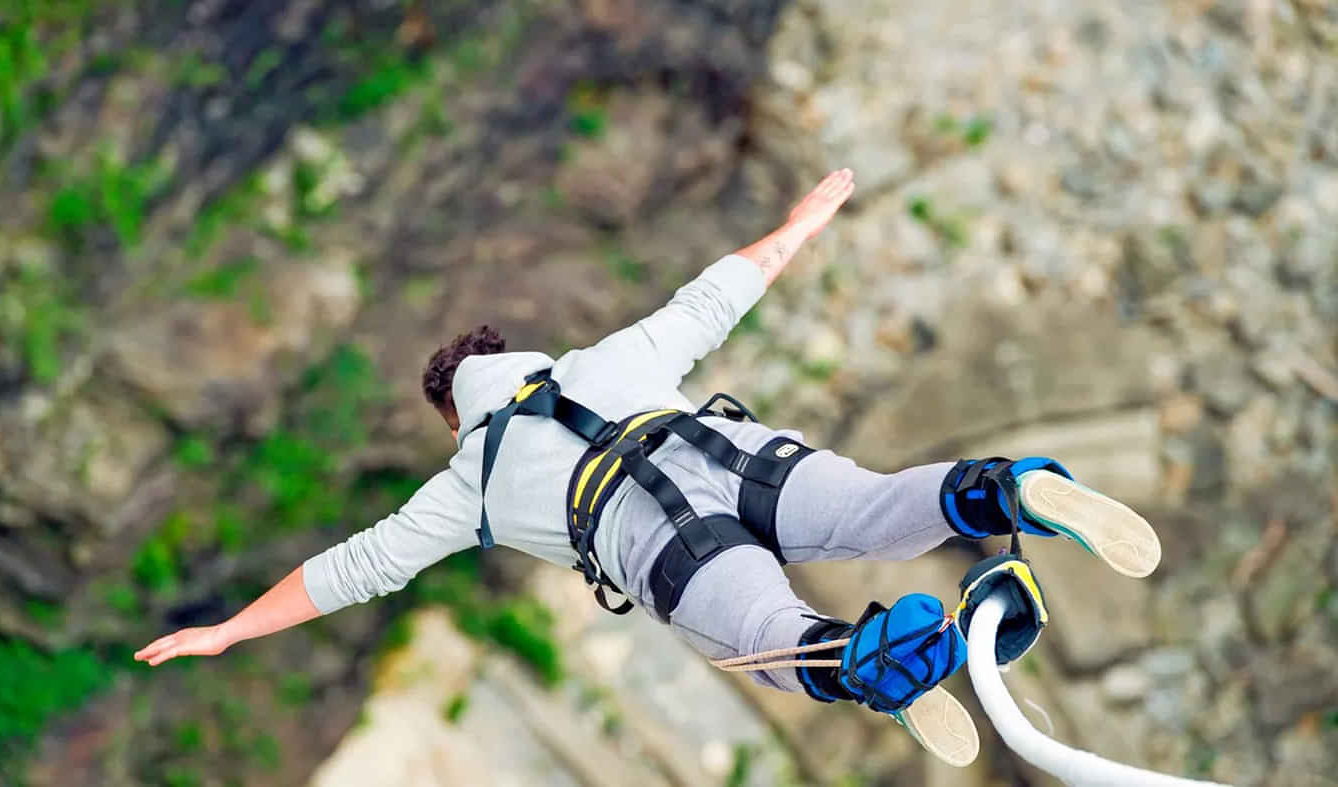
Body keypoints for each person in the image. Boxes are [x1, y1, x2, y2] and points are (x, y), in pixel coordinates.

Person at [135, 169, 1161, 766]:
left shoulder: (467, 485)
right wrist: (803, 220)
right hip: (741, 458)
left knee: (774, 635)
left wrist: (227, 629)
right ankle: (999, 490)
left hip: (665, 541)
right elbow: (718, 293)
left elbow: (349, 569)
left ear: (457, 413)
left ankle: (866, 663)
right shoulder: (602, 360)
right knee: (876, 509)